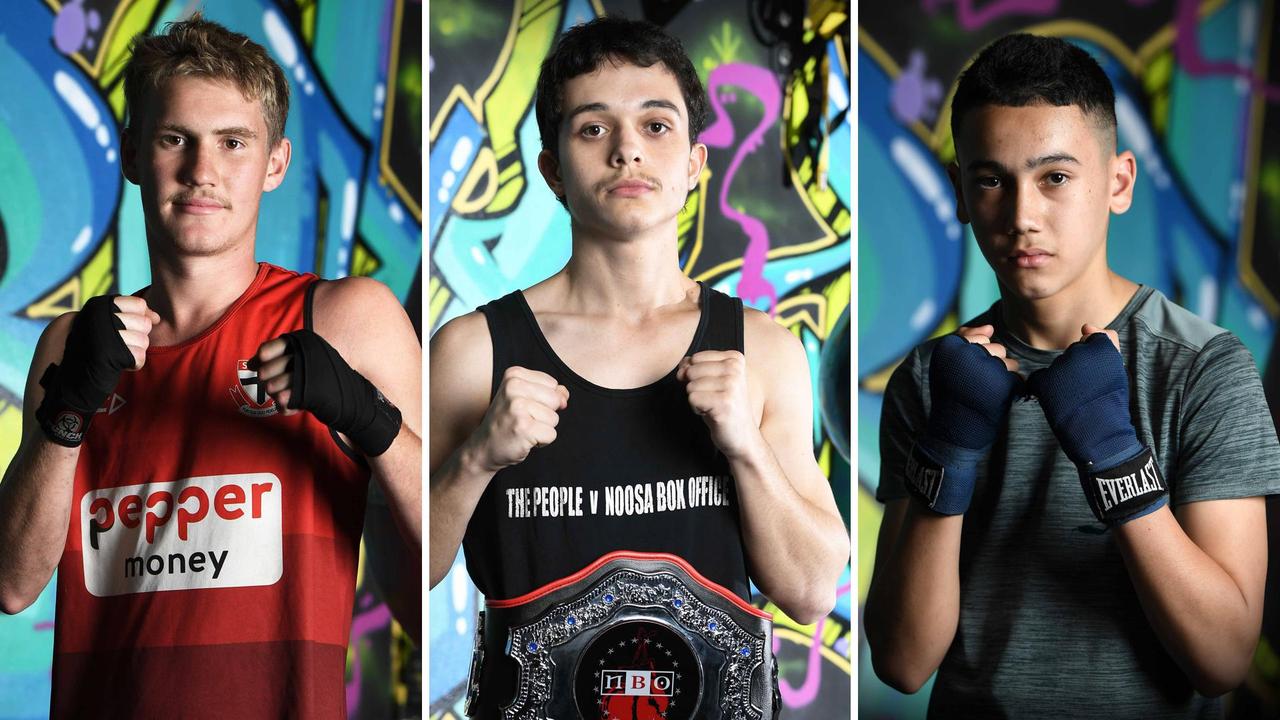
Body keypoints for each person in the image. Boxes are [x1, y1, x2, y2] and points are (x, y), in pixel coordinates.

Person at [0, 16, 421, 719]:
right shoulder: (72, 344)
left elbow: (419, 590)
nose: (203, 172)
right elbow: (12, 584)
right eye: (175, 140)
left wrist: (370, 421)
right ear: (134, 154)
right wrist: (65, 413)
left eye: (233, 143)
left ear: (276, 162)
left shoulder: (347, 320)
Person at [428, 15, 847, 715]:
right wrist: (475, 460)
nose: (628, 151)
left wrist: (744, 446)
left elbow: (808, 591)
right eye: (594, 128)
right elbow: (405, 579)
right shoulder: (475, 351)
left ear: (693, 163)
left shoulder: (763, 349)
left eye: (656, 126)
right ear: (554, 168)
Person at [864, 33, 1280, 718]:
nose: (1023, 217)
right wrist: (951, 445)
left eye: (1055, 177)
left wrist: (1115, 455)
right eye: (992, 180)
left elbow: (1223, 659)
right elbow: (905, 663)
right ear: (962, 194)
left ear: (1118, 183)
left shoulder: (1203, 368)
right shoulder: (935, 379)